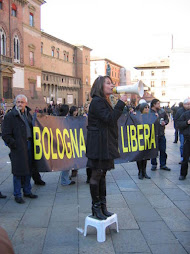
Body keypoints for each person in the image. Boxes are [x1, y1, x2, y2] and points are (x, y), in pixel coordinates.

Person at [86, 75, 127, 220]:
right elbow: (110, 119)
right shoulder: (97, 102)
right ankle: (95, 207)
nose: (112, 85)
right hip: (98, 145)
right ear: (100, 86)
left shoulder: (103, 101)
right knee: (96, 175)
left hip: (103, 144)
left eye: (112, 83)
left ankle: (103, 206)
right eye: (108, 83)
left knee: (102, 175)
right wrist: (121, 103)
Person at [2, 94, 38, 204]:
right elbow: (5, 134)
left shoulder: (28, 114)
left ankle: (27, 191)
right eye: (18, 102)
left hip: (29, 144)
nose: (20, 104)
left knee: (28, 169)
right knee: (17, 172)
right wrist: (14, 144)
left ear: (26, 103)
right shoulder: (10, 116)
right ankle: (17, 194)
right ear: (15, 103)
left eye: (22, 102)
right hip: (18, 147)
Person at [150, 99, 171, 171]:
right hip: (153, 134)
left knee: (163, 150)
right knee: (153, 150)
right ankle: (154, 164)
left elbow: (167, 119)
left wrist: (165, 122)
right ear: (154, 104)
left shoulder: (162, 111)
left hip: (161, 134)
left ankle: (163, 164)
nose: (159, 105)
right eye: (158, 104)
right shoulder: (149, 112)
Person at [59, 104, 75, 186]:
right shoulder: (65, 119)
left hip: (62, 143)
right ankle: (64, 180)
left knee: (66, 162)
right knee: (67, 162)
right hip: (66, 143)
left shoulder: (58, 118)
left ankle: (65, 178)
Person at [136, 103, 151, 180]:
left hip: (147, 139)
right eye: (145, 107)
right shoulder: (137, 116)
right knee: (139, 156)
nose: (147, 109)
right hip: (139, 139)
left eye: (148, 107)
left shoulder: (150, 116)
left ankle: (144, 172)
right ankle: (140, 172)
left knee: (145, 156)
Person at [174, 98, 190, 164]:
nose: (189, 105)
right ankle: (183, 158)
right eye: (188, 104)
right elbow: (177, 121)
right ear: (184, 104)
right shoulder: (180, 111)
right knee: (183, 145)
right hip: (183, 132)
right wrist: (186, 123)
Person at [178, 104, 190, 180]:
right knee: (185, 158)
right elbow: (179, 124)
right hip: (188, 139)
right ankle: (183, 174)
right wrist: (187, 122)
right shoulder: (186, 114)